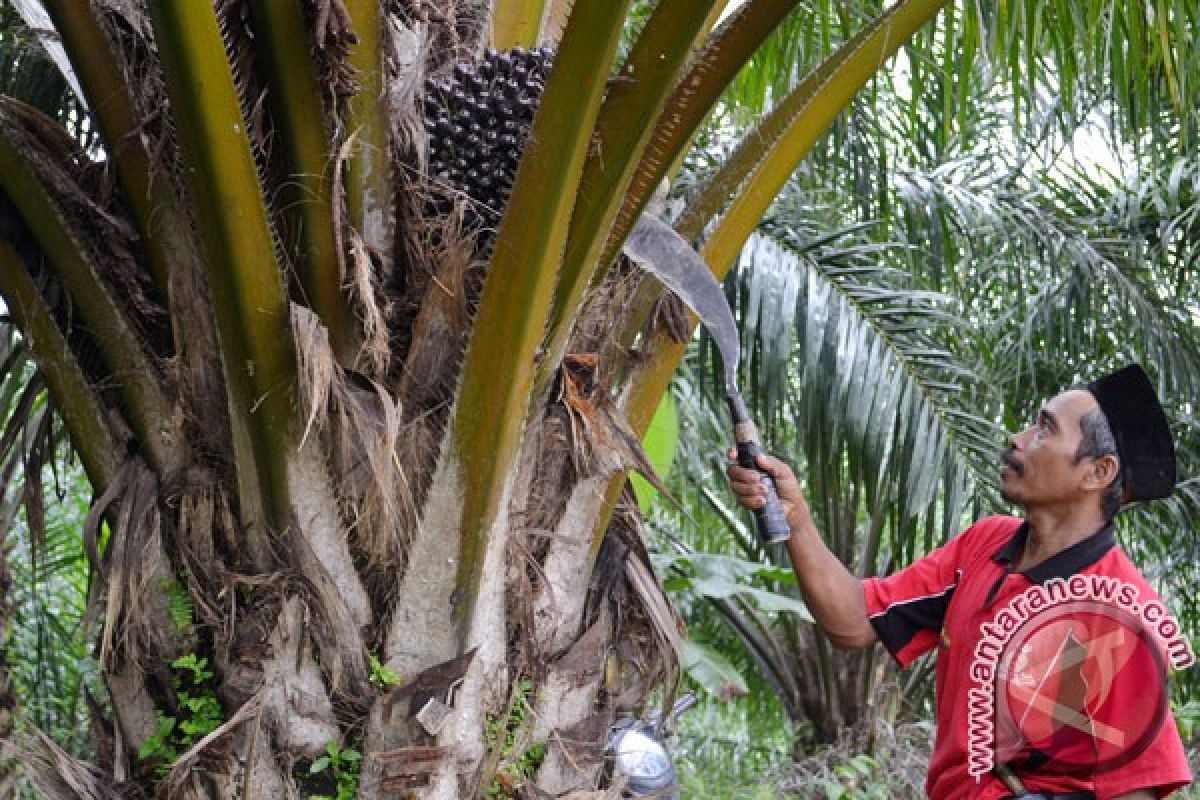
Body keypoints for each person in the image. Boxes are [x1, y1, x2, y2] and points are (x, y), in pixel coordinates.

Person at [727, 364, 1194, 800]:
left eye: (1044, 428)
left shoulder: (1122, 616)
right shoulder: (985, 546)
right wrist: (797, 519)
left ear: (1098, 472)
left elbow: (1137, 787)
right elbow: (853, 621)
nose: (1018, 437)